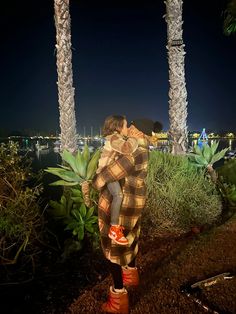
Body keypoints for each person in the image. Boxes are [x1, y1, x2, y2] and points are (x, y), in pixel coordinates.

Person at [93, 118, 159, 314]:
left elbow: (108, 174)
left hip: (123, 205)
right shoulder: (144, 147)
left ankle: (118, 298)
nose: (128, 128)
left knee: (114, 249)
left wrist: (94, 182)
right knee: (130, 238)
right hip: (136, 200)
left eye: (131, 126)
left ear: (138, 131)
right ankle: (131, 275)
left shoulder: (133, 152)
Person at [97, 115, 138, 246]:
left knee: (115, 196)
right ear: (118, 127)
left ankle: (113, 226)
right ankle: (114, 229)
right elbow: (127, 148)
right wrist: (134, 137)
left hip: (110, 171)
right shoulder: (114, 138)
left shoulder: (116, 137)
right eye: (125, 126)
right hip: (107, 172)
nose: (127, 128)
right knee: (118, 195)